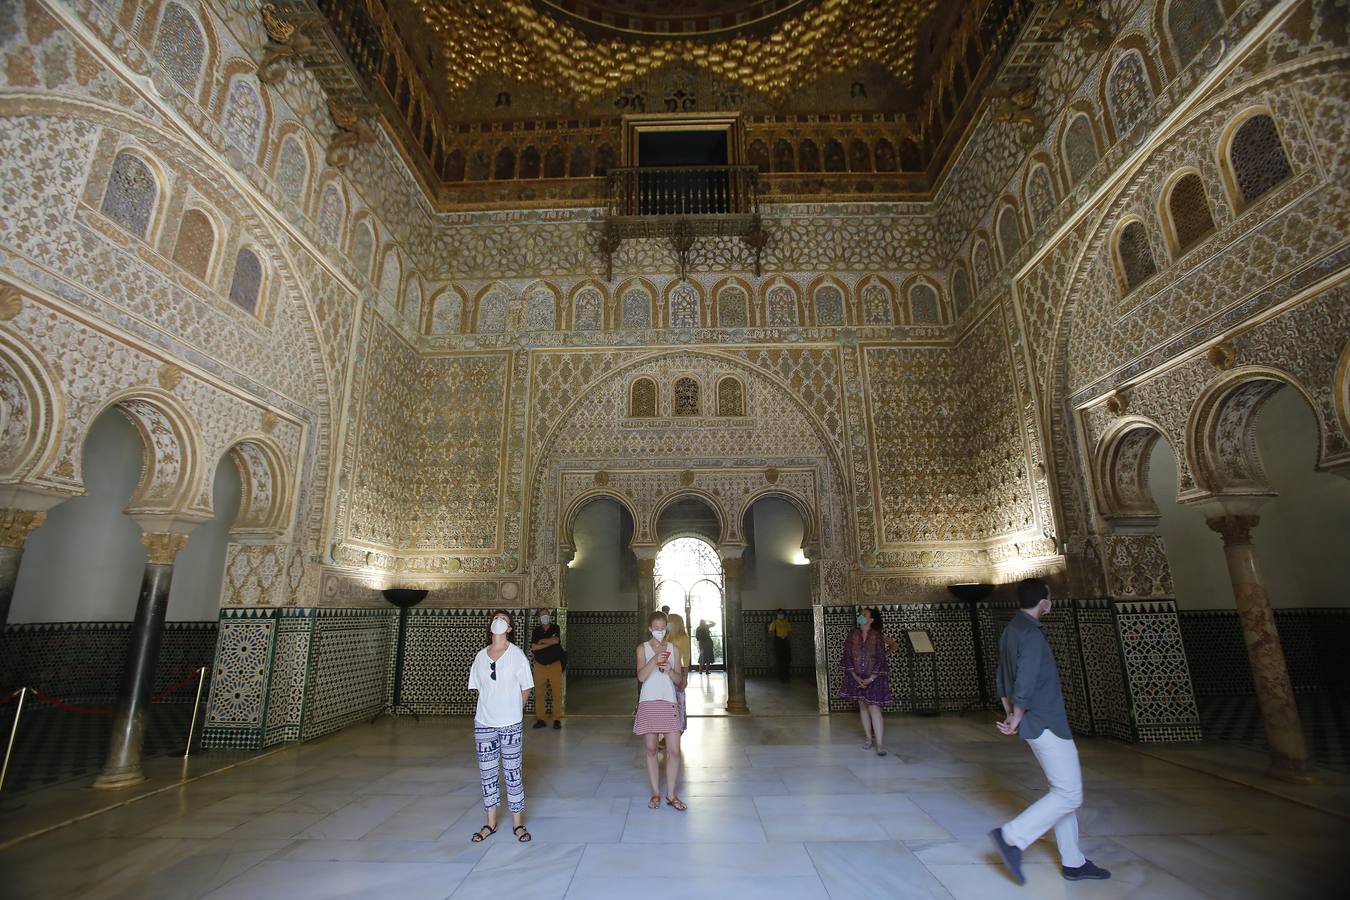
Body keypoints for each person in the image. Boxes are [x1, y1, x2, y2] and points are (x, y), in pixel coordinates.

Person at [989, 579, 1110, 884]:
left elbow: (1002, 675)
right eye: (1049, 597)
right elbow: (1025, 680)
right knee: (1069, 794)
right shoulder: (1030, 635)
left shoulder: (1011, 630)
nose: (1051, 601)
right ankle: (1011, 837)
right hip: (1046, 721)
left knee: (1061, 790)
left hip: (1031, 721)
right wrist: (1017, 715)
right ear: (1043, 601)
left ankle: (1073, 861)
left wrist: (1010, 713)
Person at [468, 610, 534, 843]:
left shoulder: (517, 656)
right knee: (487, 774)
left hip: (510, 723)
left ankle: (517, 824)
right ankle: (490, 822)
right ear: (491, 627)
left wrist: (515, 709)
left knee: (512, 772)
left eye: (504, 619)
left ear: (510, 628)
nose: (499, 621)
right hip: (484, 722)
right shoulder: (480, 657)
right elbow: (478, 688)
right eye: (496, 618)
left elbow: (526, 687)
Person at [634, 610, 686, 811]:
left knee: (673, 750)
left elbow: (678, 679)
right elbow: (641, 677)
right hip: (648, 701)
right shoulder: (642, 648)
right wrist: (654, 661)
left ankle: (671, 795)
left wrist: (669, 669)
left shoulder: (674, 649)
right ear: (650, 629)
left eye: (662, 628)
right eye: (655, 629)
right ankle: (656, 793)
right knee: (651, 748)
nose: (659, 632)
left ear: (667, 629)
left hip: (669, 701)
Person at [840, 606, 890, 756]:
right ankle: (869, 739)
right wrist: (855, 676)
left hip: (874, 678)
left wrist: (871, 678)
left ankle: (880, 744)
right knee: (863, 707)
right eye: (860, 613)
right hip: (857, 677)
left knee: (874, 708)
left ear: (871, 619)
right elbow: (847, 655)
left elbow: (881, 658)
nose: (861, 615)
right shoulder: (852, 634)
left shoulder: (877, 636)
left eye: (864, 614)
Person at [529, 607, 564, 730]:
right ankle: (541, 719)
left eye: (546, 615)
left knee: (557, 693)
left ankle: (556, 719)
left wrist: (542, 642)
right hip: (540, 666)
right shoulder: (536, 631)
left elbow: (556, 640)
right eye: (542, 616)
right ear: (539, 618)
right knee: (539, 694)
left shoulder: (556, 628)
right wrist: (550, 642)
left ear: (549, 616)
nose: (545, 618)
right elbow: (534, 648)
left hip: (555, 665)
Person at [666, 612, 691, 730]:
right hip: (665, 672)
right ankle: (669, 729)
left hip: (677, 672)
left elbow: (686, 659)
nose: (666, 625)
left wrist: (685, 677)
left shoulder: (683, 639)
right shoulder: (666, 637)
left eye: (668, 622)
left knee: (678, 701)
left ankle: (679, 727)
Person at [768, 608, 792, 682]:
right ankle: (782, 677)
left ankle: (787, 676)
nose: (780, 615)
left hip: (785, 641)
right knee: (780, 660)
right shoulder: (774, 623)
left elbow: (790, 632)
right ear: (777, 615)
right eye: (779, 614)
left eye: (782, 614)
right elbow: (770, 632)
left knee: (787, 659)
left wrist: (785, 638)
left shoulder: (786, 622)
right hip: (778, 641)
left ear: (784, 615)